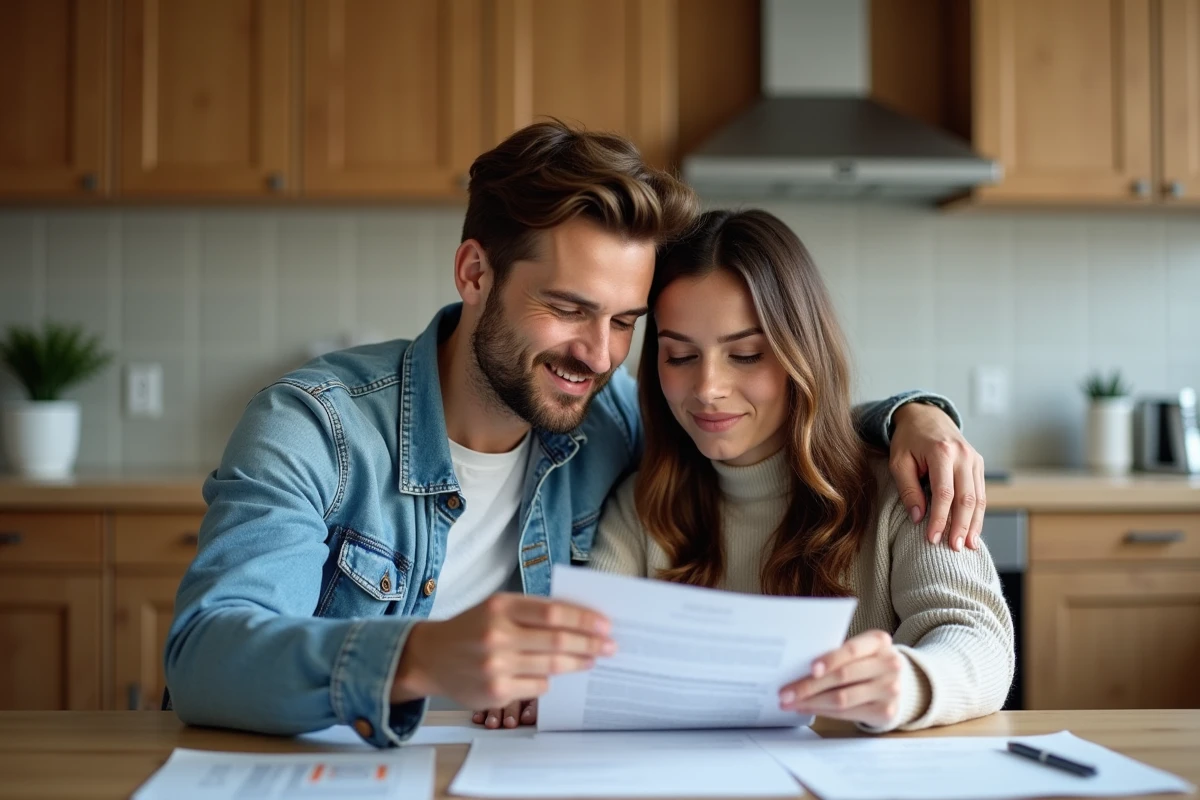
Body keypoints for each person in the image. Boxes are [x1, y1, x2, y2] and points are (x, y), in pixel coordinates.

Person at [165, 122, 987, 748]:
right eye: (568, 309)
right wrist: (420, 656)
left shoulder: (609, 421)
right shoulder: (316, 427)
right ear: (475, 273)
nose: (598, 356)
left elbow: (764, 425)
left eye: (626, 322)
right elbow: (204, 656)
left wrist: (911, 416)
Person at [588, 209, 1014, 733]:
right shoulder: (642, 505)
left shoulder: (903, 486)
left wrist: (909, 682)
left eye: (746, 354)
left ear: (801, 356)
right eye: (679, 356)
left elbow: (980, 641)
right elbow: (586, 660)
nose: (708, 388)